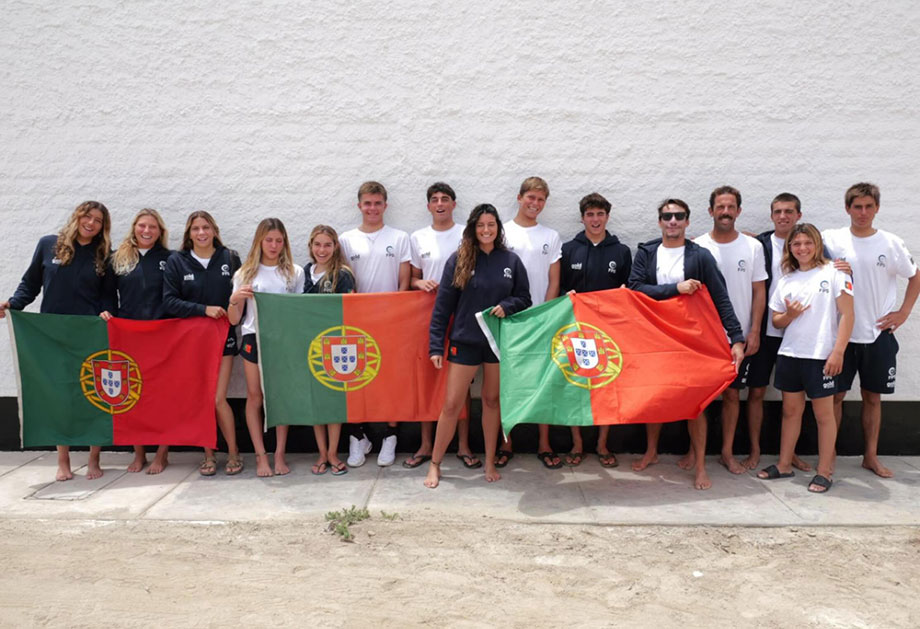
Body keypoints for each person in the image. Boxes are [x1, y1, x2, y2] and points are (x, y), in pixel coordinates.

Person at [628, 198, 745, 490]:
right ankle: (652, 452)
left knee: (697, 404)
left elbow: (721, 297)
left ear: (687, 221)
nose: (672, 221)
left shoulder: (700, 256)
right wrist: (674, 289)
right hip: (655, 338)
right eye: (667, 216)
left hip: (692, 340)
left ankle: (701, 466)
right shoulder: (647, 252)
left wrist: (737, 338)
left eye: (678, 216)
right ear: (659, 221)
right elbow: (634, 288)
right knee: (653, 398)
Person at [0, 201, 116, 482]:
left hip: (90, 333)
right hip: (52, 332)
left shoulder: (105, 255)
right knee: (59, 396)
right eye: (87, 216)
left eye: (98, 220)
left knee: (93, 394)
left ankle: (93, 457)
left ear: (103, 227)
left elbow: (109, 296)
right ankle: (62, 459)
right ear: (77, 217)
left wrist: (108, 311)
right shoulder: (48, 245)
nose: (91, 223)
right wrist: (13, 304)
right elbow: (31, 283)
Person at [424, 204, 531, 488]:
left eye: (491, 225)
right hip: (465, 342)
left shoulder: (510, 260)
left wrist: (507, 306)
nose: (486, 230)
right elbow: (442, 306)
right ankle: (435, 464)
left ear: (498, 228)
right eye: (481, 225)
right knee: (452, 404)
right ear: (473, 228)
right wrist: (436, 345)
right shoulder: (458, 260)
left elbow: (524, 298)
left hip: (496, 344)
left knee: (491, 401)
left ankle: (490, 461)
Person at [822, 183, 919, 478]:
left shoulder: (890, 243)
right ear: (847, 208)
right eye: (857, 207)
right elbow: (801, 250)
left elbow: (915, 277)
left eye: (868, 207)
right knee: (835, 398)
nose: (862, 213)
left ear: (876, 208)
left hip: (878, 335)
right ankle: (830, 456)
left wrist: (903, 312)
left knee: (872, 398)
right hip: (842, 335)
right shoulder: (832, 239)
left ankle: (871, 456)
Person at [758, 223, 854, 493]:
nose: (802, 248)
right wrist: (789, 316)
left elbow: (848, 314)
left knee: (824, 415)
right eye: (796, 244)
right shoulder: (787, 278)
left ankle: (824, 472)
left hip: (821, 356)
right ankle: (784, 464)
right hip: (790, 354)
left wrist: (838, 352)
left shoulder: (834, 272)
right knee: (790, 412)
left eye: (807, 243)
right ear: (790, 247)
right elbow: (776, 320)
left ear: (817, 245)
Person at [692, 186, 767, 474]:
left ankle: (726, 452)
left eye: (730, 207)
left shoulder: (753, 247)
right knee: (700, 398)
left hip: (740, 337)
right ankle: (693, 452)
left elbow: (759, 290)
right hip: (705, 337)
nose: (725, 212)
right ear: (710, 211)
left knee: (733, 396)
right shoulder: (697, 247)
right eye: (720, 207)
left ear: (738, 210)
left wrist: (755, 330)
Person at [404, 183, 479, 470]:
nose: (439, 203)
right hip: (428, 314)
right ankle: (425, 443)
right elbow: (411, 278)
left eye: (445, 199)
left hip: (461, 315)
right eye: (434, 199)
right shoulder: (418, 237)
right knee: (428, 380)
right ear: (428, 206)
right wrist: (419, 282)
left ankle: (462, 444)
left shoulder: (465, 235)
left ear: (453, 204)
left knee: (462, 382)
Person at [162, 211, 243, 477]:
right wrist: (202, 309)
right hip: (192, 340)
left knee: (219, 398)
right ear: (189, 233)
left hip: (223, 337)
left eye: (206, 227)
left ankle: (233, 453)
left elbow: (240, 296)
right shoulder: (177, 261)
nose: (201, 233)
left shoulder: (229, 258)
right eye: (195, 228)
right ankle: (208, 455)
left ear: (214, 230)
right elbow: (169, 301)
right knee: (203, 399)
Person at [339, 181, 411, 467]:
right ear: (359, 206)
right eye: (367, 203)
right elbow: (344, 279)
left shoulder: (400, 237)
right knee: (356, 379)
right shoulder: (346, 239)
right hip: (357, 322)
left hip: (392, 320)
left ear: (385, 206)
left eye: (377, 203)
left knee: (391, 379)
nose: (372, 208)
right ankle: (358, 436)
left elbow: (405, 282)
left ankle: (390, 435)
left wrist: (398, 312)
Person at [559, 192, 632, 468]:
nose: (595, 219)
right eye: (590, 214)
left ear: (607, 217)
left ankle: (602, 443)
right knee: (575, 385)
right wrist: (569, 294)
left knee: (607, 386)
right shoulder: (568, 249)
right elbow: (559, 289)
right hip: (576, 330)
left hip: (609, 332)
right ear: (582, 218)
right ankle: (577, 443)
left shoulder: (621, 251)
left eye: (600, 214)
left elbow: (630, 290)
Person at [229, 218, 305, 477]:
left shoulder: (294, 272)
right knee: (255, 397)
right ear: (259, 241)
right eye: (269, 240)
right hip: (253, 338)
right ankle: (261, 456)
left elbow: (298, 312)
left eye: (279, 240)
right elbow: (234, 319)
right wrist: (235, 299)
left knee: (279, 397)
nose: (274, 245)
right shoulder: (244, 273)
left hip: (282, 340)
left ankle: (280, 453)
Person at [745, 193, 815, 472]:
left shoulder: (809, 246)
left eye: (789, 211)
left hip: (799, 332)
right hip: (765, 330)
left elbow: (831, 270)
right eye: (778, 211)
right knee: (757, 392)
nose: (783, 216)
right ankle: (755, 450)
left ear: (798, 215)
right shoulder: (759, 244)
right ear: (771, 215)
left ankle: (791, 453)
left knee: (793, 398)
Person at [501, 176, 562, 469]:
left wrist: (546, 316)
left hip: (540, 320)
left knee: (543, 383)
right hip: (510, 320)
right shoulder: (502, 232)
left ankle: (544, 442)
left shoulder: (550, 236)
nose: (534, 204)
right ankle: (506, 443)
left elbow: (554, 280)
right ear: (519, 197)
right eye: (530, 198)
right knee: (506, 383)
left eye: (540, 200)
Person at [110, 209, 173, 474]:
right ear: (134, 227)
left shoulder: (170, 259)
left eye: (153, 227)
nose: (147, 231)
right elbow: (105, 294)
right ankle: (139, 453)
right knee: (132, 395)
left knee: (163, 396)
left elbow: (177, 294)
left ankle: (162, 452)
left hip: (162, 334)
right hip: (128, 334)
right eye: (142, 225)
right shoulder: (117, 258)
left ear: (160, 232)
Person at [303, 224, 356, 475]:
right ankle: (321, 453)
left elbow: (349, 309)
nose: (322, 250)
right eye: (317, 244)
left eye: (327, 244)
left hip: (335, 346)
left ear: (335, 247)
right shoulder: (303, 272)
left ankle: (334, 452)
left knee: (333, 399)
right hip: (308, 344)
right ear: (311, 246)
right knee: (316, 401)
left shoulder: (342, 274)